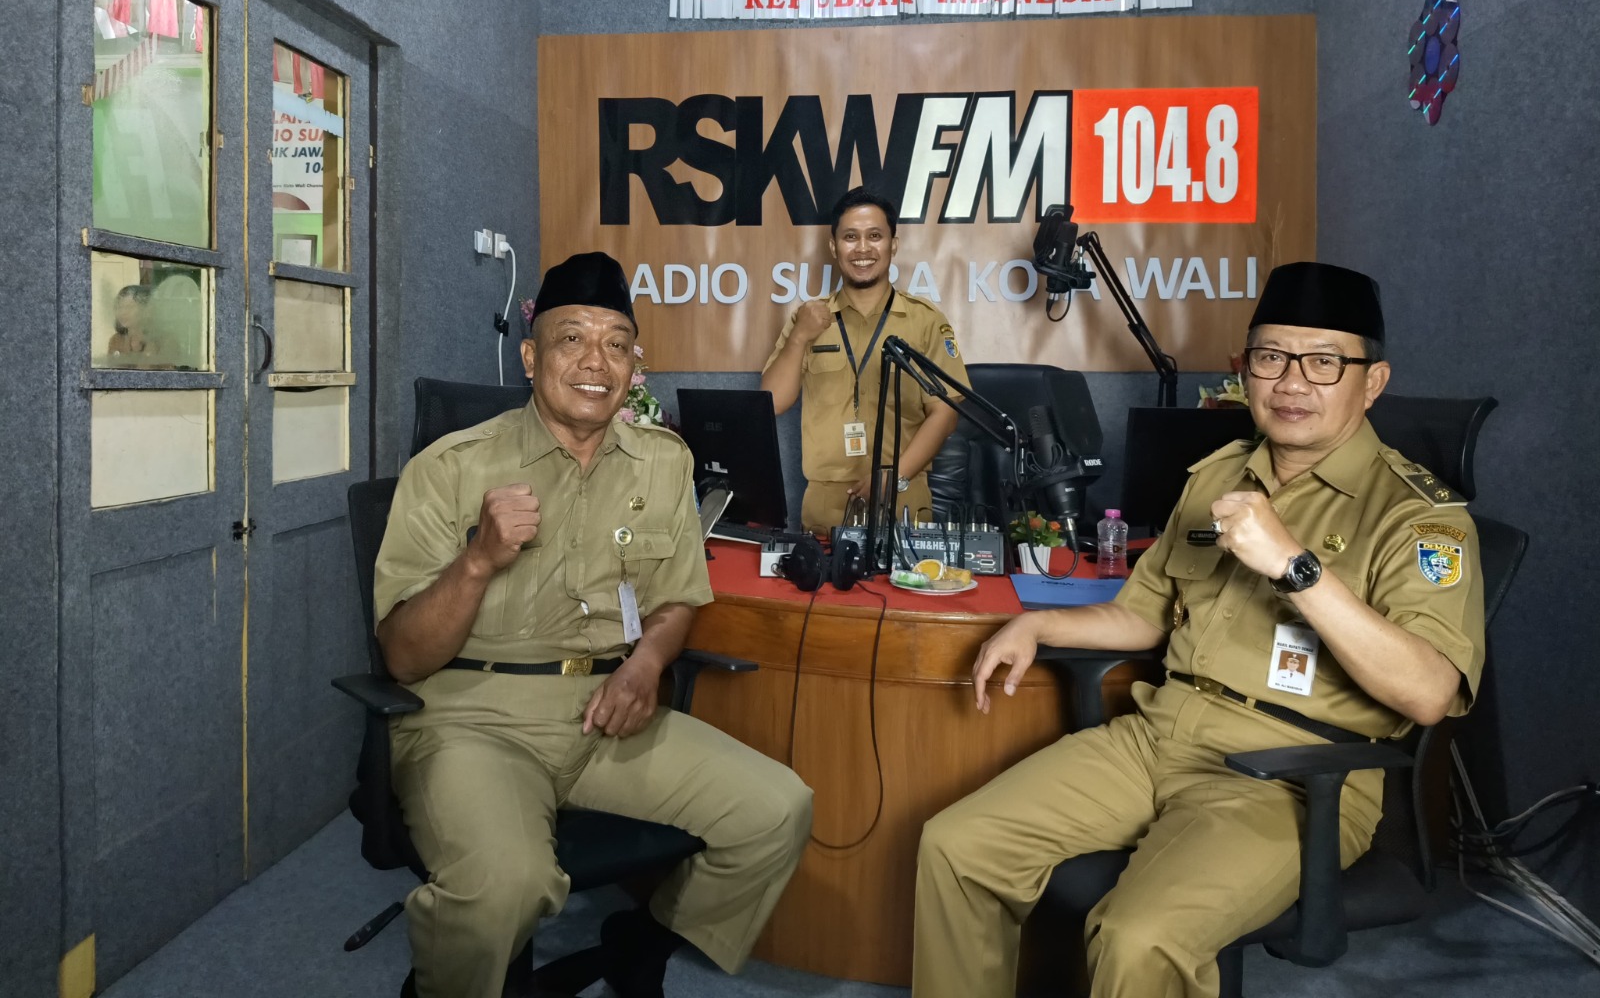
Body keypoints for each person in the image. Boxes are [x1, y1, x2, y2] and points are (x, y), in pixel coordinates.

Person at [913, 261, 1485, 998]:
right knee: (957, 846)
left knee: (1138, 935)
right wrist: (1039, 621)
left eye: (1323, 362)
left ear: (1371, 382)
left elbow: (1429, 693)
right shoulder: (1217, 477)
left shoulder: (1418, 517)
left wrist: (1295, 567)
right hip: (1158, 738)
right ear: (1244, 369)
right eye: (1271, 357)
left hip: (1293, 775)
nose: (1291, 383)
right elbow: (1144, 612)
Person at [374, 251, 813, 998]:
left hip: (605, 714)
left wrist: (646, 665)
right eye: (571, 338)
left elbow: (677, 599)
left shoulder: (664, 463)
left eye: (617, 343)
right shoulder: (450, 468)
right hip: (473, 719)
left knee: (777, 811)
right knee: (506, 883)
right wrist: (477, 561)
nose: (595, 362)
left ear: (634, 365)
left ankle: (642, 942)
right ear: (531, 356)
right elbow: (403, 659)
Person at [761, 187, 968, 534]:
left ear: (893, 244)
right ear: (833, 247)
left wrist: (894, 476)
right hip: (826, 505)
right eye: (850, 237)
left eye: (874, 236)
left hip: (902, 499)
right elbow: (772, 402)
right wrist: (799, 337)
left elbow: (945, 414)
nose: (862, 249)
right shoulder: (809, 317)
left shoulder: (924, 320)